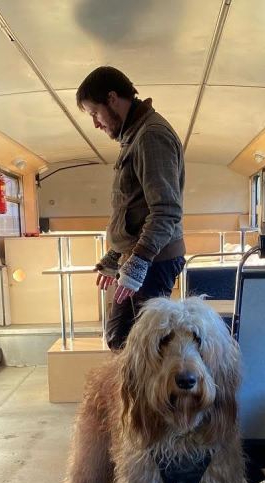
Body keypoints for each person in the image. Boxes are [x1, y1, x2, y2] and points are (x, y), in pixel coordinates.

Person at [76, 66, 186, 350]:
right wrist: (116, 254)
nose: (96, 124)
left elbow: (166, 211)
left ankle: (146, 395)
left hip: (154, 259)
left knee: (143, 348)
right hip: (140, 256)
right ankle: (124, 395)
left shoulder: (151, 135)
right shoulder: (135, 135)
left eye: (94, 113)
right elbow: (133, 209)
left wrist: (137, 263)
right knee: (119, 338)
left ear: (112, 99)